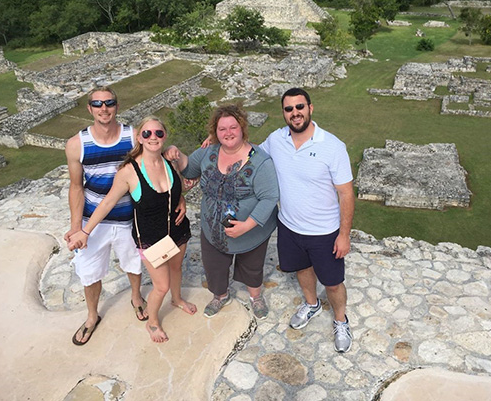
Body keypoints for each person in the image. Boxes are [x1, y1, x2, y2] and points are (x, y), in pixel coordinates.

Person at [64, 87, 185, 346]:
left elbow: (160, 163)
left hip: (130, 219)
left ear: (117, 106)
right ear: (90, 108)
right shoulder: (76, 145)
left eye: (109, 102)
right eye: (97, 103)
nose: (103, 108)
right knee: (90, 272)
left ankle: (137, 298)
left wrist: (180, 195)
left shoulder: (133, 135)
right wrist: (78, 229)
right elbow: (76, 187)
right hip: (95, 219)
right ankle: (91, 316)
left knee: (133, 265)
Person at [259, 87, 355, 353]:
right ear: (284, 113)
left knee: (333, 282)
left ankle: (340, 320)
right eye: (289, 109)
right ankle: (312, 304)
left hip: (324, 231)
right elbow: (250, 154)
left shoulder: (332, 146)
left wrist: (344, 235)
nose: (295, 113)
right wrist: (215, 140)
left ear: (310, 108)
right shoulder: (276, 139)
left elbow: (346, 193)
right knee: (302, 270)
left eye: (300, 107)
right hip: (289, 226)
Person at [166, 105, 279, 320]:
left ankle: (255, 297)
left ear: (242, 128)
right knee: (214, 265)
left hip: (251, 230)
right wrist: (176, 153)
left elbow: (270, 197)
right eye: (222, 129)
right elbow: (189, 169)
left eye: (233, 127)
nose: (228, 133)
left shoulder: (260, 160)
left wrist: (247, 225)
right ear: (215, 131)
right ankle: (220, 295)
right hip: (213, 228)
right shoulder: (209, 152)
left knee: (252, 265)